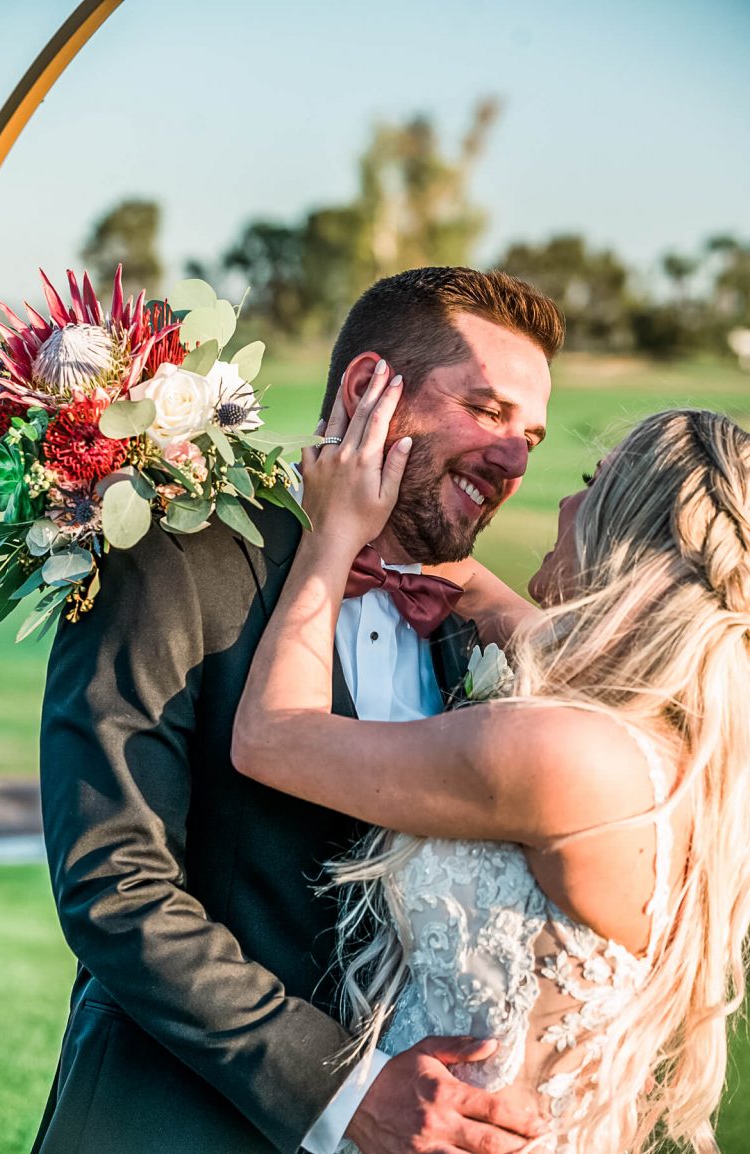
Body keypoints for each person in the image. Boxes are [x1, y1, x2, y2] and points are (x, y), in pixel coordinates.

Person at [32, 267, 563, 1154]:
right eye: (489, 410)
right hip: (165, 1124)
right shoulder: (178, 555)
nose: (513, 459)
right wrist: (344, 1092)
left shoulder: (468, 634)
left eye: (533, 437)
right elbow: (115, 884)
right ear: (366, 389)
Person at [231, 378, 750, 1154]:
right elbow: (556, 643)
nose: (564, 507)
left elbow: (270, 737)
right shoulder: (674, 749)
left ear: (629, 537)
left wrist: (332, 539)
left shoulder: (561, 756)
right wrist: (458, 576)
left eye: (590, 487)